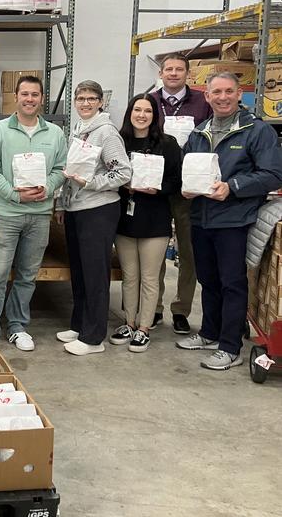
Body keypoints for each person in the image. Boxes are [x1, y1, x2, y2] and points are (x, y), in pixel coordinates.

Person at [176, 72, 282, 370]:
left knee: (232, 282)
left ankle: (230, 346)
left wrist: (233, 187)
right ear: (207, 96)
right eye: (216, 92)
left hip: (234, 220)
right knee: (208, 279)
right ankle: (210, 333)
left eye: (228, 91)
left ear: (238, 95)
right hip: (201, 217)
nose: (222, 97)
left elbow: (273, 174)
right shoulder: (200, 132)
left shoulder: (256, 131)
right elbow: (187, 166)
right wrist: (185, 186)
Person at [0, 76, 67, 351]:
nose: (30, 99)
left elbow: (61, 168)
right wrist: (15, 195)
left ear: (42, 99)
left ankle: (17, 326)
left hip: (39, 215)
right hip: (6, 214)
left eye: (35, 94)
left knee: (28, 275)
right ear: (15, 97)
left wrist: (47, 188)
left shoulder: (55, 134)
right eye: (25, 94)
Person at [55, 80, 131, 355]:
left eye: (91, 99)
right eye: (81, 98)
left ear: (101, 102)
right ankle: (79, 325)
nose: (85, 103)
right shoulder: (78, 129)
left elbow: (123, 172)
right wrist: (62, 204)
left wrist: (91, 183)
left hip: (98, 210)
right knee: (79, 272)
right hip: (76, 209)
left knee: (95, 274)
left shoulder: (106, 133)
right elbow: (69, 171)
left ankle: (93, 338)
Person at [110, 94, 182, 353]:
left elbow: (177, 181)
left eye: (147, 111)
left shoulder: (167, 144)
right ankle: (129, 323)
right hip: (125, 219)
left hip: (155, 220)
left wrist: (157, 188)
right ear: (129, 113)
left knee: (150, 278)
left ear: (155, 115)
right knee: (130, 277)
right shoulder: (119, 141)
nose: (142, 115)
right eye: (137, 110)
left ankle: (144, 328)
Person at [150, 53, 213, 334]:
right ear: (161, 74)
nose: (173, 73)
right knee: (155, 251)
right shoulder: (150, 101)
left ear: (188, 74)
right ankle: (153, 307)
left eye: (179, 69)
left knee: (188, 252)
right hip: (158, 187)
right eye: (169, 69)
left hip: (190, 188)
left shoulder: (202, 102)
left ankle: (181, 310)